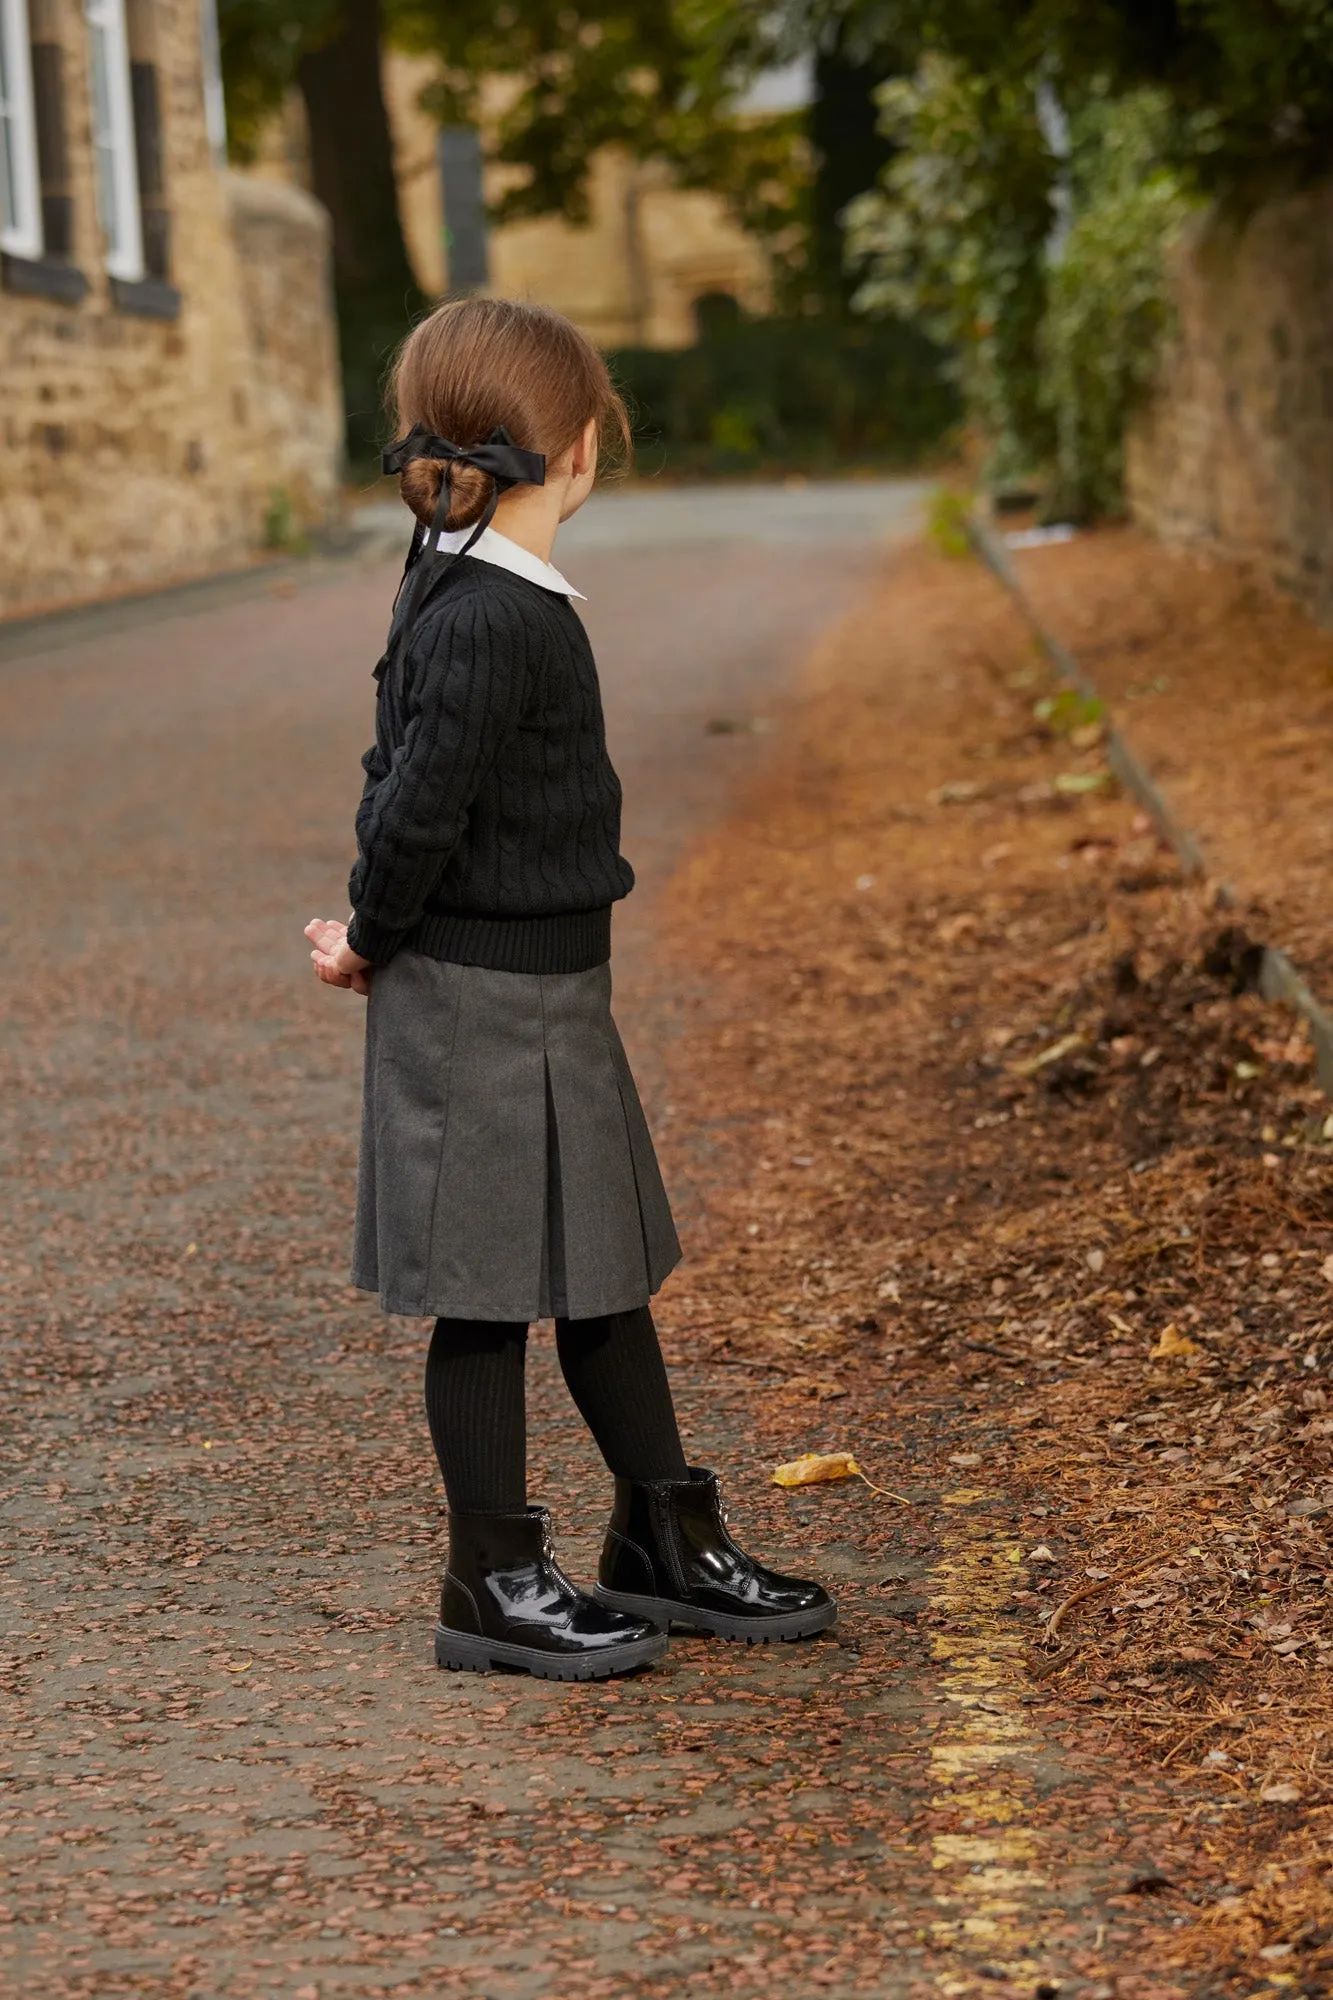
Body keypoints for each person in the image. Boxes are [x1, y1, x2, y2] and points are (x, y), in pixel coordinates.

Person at [305, 297, 835, 1680]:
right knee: (484, 1294)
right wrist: (369, 931)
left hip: (553, 988)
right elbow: (413, 798)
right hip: (474, 996)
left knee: (599, 1267)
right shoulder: (483, 610)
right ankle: (488, 1577)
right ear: (585, 448)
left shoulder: (465, 578)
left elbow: (405, 773)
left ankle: (659, 1534)